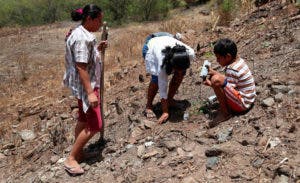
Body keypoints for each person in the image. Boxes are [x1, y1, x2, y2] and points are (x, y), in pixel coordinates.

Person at [63, 4, 107, 175]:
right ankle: (71, 158)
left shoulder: (80, 32)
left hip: (82, 86)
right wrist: (90, 93)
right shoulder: (82, 38)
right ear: (89, 19)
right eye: (99, 20)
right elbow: (81, 66)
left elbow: (84, 58)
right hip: (87, 86)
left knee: (83, 119)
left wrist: (97, 50)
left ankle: (79, 152)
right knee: (96, 125)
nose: (100, 24)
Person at [204, 38, 256, 128]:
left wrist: (211, 84)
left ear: (228, 57)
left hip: (243, 105)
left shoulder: (231, 70)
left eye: (219, 58)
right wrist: (215, 73)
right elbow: (229, 82)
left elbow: (226, 89)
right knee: (216, 78)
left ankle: (225, 113)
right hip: (249, 99)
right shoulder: (238, 61)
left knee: (215, 80)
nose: (217, 61)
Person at [143, 35, 195, 124]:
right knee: (156, 80)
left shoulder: (189, 54)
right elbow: (162, 88)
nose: (178, 73)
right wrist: (165, 111)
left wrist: (180, 72)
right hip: (151, 45)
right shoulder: (161, 63)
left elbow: (181, 70)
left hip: (166, 37)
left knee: (180, 74)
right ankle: (149, 106)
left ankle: (170, 100)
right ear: (171, 65)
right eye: (176, 70)